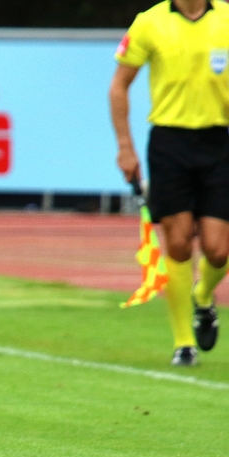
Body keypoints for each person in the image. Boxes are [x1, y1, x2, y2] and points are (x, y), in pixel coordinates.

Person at [110, 0, 229, 366]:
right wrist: (125, 147)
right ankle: (183, 343)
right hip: (170, 144)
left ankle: (203, 297)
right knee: (177, 242)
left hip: (219, 142)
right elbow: (119, 86)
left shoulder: (225, 16)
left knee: (218, 249)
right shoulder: (150, 22)